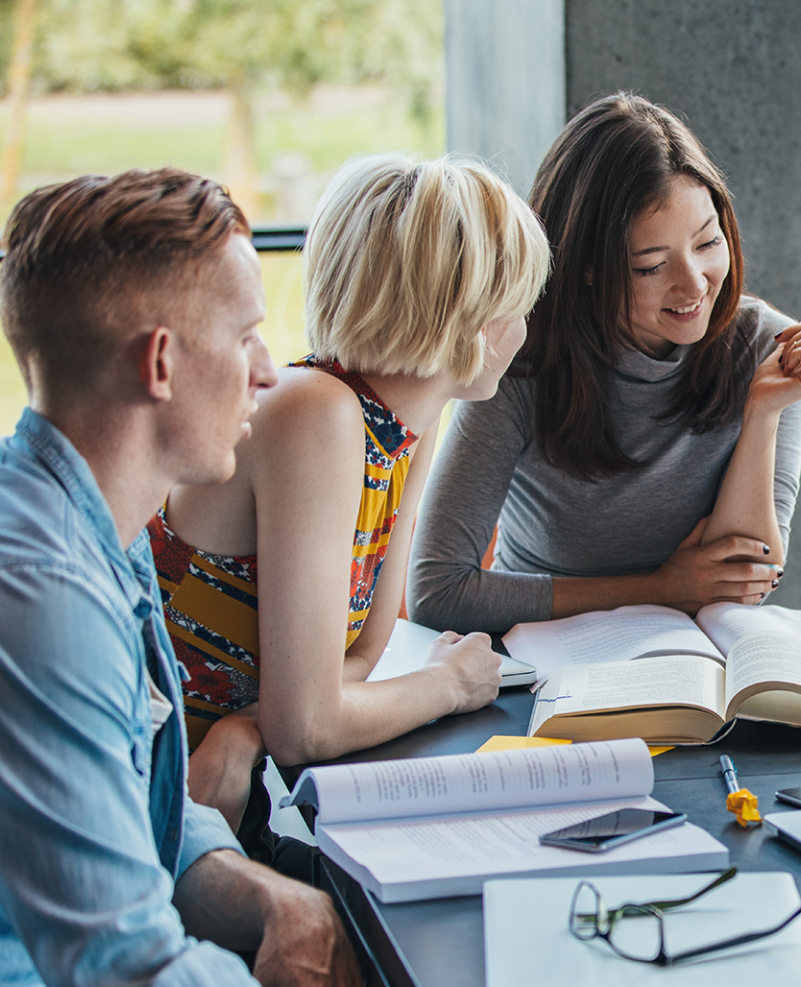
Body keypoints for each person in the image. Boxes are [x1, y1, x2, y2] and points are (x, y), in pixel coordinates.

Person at [0, 169, 368, 987]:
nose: (270, 371)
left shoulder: (78, 521)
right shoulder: (26, 596)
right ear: (160, 364)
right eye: (246, 336)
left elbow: (128, 814)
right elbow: (135, 978)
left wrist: (274, 900)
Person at [156, 152, 551, 865]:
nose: (524, 324)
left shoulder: (408, 424)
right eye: (516, 301)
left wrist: (250, 728)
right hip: (156, 790)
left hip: (227, 780)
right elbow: (307, 726)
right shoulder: (317, 414)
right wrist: (447, 683)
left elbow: (362, 652)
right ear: (472, 317)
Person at [408, 92, 801, 635]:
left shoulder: (764, 345)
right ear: (586, 267)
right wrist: (661, 590)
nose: (694, 284)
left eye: (707, 242)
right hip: (543, 662)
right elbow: (437, 590)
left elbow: (747, 576)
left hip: (692, 657)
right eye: (651, 266)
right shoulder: (519, 358)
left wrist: (764, 413)